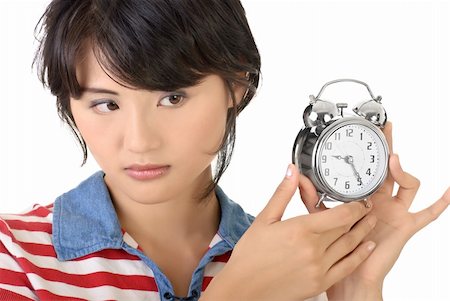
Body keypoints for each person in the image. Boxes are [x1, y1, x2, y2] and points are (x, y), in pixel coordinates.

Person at [1, 0, 449, 300]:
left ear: (237, 86)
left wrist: (354, 288)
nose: (139, 141)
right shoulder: (15, 255)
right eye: (106, 103)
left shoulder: (292, 265)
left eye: (172, 97)